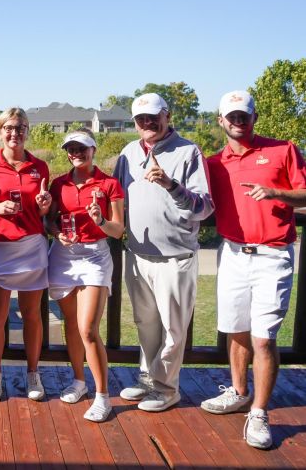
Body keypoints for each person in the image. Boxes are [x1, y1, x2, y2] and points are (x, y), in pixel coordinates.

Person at [202, 91, 306, 449]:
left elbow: (305, 193)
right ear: (220, 121)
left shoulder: (283, 150)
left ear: (254, 117)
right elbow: (196, 202)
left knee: (263, 338)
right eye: (231, 116)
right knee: (236, 329)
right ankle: (240, 391)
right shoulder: (213, 163)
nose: (237, 121)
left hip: (273, 255)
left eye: (243, 115)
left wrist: (276, 193)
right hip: (232, 253)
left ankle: (259, 413)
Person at [113, 93, 214, 412]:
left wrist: (171, 185)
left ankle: (167, 388)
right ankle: (148, 381)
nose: (148, 123)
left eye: (154, 117)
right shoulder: (128, 153)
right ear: (134, 123)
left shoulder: (188, 151)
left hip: (176, 256)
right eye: (141, 119)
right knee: (146, 323)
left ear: (167, 116)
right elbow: (116, 199)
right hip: (138, 254)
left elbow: (205, 207)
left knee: (173, 328)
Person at [0, 107, 51, 401]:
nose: (15, 133)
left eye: (20, 128)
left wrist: (44, 204)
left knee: (32, 316)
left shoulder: (39, 167)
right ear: (0, 131)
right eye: (9, 127)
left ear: (27, 131)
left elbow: (44, 209)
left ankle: (33, 373)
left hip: (31, 246)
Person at [47, 129, 124, 422]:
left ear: (93, 149)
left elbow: (118, 230)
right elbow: (50, 221)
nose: (76, 153)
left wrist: (99, 220)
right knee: (71, 323)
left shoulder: (109, 184)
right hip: (63, 257)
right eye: (72, 149)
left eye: (82, 148)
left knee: (88, 329)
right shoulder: (59, 183)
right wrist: (55, 232)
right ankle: (79, 381)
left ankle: (102, 395)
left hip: (94, 256)